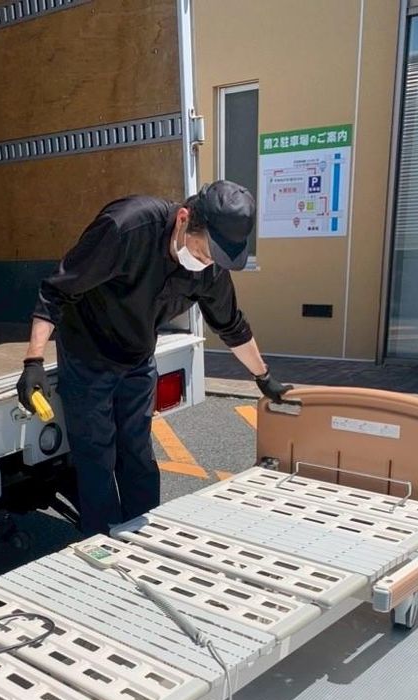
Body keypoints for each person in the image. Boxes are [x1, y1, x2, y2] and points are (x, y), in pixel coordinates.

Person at [16, 180, 291, 535]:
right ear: (183, 219)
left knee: (139, 455)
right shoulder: (126, 228)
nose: (205, 263)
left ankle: (144, 537)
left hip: (138, 355)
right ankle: (102, 543)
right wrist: (33, 361)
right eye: (203, 252)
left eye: (215, 259)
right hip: (88, 354)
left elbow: (232, 326)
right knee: (97, 458)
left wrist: (263, 377)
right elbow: (56, 290)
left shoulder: (209, 270)